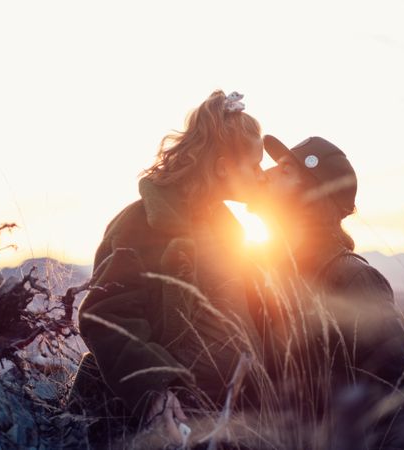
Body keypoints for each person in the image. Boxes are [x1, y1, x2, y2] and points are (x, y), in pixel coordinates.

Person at [69, 90, 267, 446]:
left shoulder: (226, 228)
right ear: (223, 167)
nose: (261, 174)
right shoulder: (141, 223)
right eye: (254, 166)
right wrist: (156, 391)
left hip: (218, 417)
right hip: (152, 419)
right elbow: (106, 314)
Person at [252, 135, 404, 449]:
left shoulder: (352, 279)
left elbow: (402, 399)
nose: (267, 173)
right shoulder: (265, 272)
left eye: (285, 171)